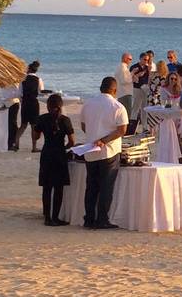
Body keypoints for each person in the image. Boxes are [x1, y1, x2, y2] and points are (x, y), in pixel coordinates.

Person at [79, 77, 128, 229]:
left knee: (91, 186)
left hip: (90, 150)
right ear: (115, 90)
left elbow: (83, 125)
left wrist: (94, 136)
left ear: (101, 88)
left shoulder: (88, 104)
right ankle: (102, 219)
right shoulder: (118, 106)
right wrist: (104, 140)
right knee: (106, 187)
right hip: (109, 152)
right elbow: (122, 130)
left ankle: (89, 219)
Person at [31, 94, 74, 226]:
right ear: (61, 106)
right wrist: (65, 148)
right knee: (58, 187)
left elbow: (36, 137)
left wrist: (35, 127)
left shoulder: (42, 119)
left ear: (48, 106)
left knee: (47, 187)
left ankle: (47, 217)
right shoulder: (65, 120)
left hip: (47, 152)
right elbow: (72, 141)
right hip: (59, 153)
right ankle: (55, 217)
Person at [16, 60, 44, 152]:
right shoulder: (38, 79)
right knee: (34, 126)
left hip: (25, 103)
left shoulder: (23, 79)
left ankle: (16, 144)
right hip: (34, 103)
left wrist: (22, 101)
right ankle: (34, 147)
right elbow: (41, 92)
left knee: (23, 125)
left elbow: (19, 93)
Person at [129, 52, 151, 122]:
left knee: (145, 108)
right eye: (144, 59)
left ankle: (145, 126)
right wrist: (138, 75)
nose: (146, 61)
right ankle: (132, 123)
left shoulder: (148, 68)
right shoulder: (134, 67)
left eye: (147, 60)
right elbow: (130, 79)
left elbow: (150, 79)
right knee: (136, 107)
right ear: (140, 59)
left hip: (145, 89)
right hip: (137, 89)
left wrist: (150, 71)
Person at [115, 52, 134, 118]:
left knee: (124, 113)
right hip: (125, 93)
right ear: (125, 59)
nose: (131, 61)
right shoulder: (122, 67)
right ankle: (126, 128)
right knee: (127, 114)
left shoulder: (121, 67)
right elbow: (124, 80)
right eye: (130, 59)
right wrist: (132, 74)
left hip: (122, 93)